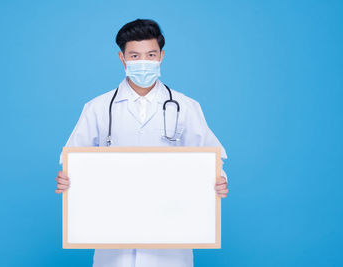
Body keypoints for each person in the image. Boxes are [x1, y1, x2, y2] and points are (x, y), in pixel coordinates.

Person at [55, 18, 229, 267]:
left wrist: (219, 180)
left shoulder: (186, 107)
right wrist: (66, 178)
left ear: (162, 56)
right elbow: (72, 159)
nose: (143, 62)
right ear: (122, 58)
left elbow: (212, 157)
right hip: (112, 237)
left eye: (151, 54)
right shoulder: (98, 108)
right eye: (135, 56)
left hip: (171, 238)